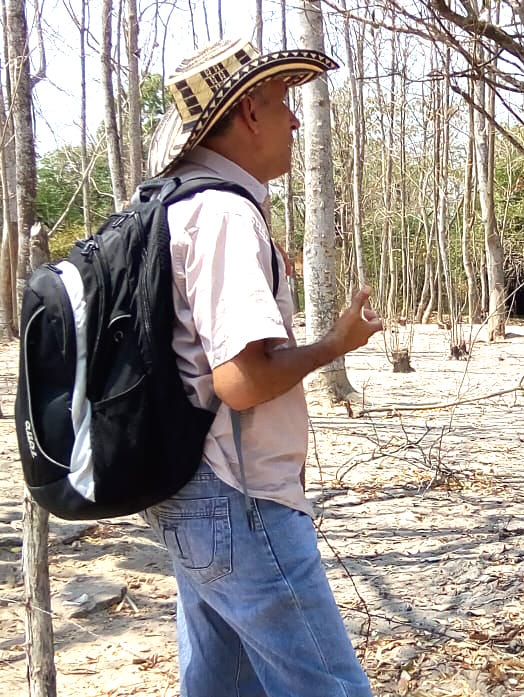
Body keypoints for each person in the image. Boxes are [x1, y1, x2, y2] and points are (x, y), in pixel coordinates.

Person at [142, 39, 381, 696]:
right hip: (240, 499)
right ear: (249, 113)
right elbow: (240, 381)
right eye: (283, 105)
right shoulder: (223, 213)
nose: (295, 122)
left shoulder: (178, 203)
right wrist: (335, 345)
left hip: (193, 493)